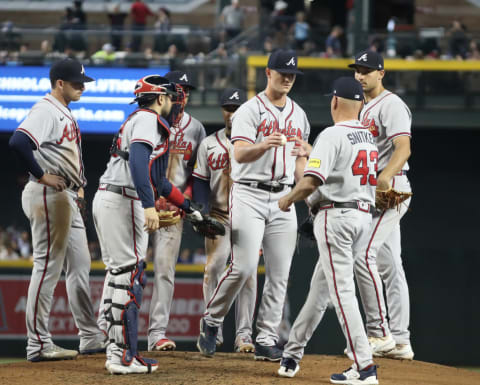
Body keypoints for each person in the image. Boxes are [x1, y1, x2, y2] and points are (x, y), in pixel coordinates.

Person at [197, 49, 310, 361]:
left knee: (280, 272)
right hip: (248, 194)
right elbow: (240, 155)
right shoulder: (249, 110)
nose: (287, 78)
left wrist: (308, 184)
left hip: (284, 196)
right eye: (282, 73)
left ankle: (266, 337)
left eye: (292, 75)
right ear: (268, 73)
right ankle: (212, 320)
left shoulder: (299, 115)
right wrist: (263, 144)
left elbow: (300, 164)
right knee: (244, 266)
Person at [93, 74, 203, 374]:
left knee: (120, 275)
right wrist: (147, 206)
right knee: (129, 276)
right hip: (122, 199)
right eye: (169, 95)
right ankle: (122, 356)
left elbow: (159, 180)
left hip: (113, 196)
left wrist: (189, 208)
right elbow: (139, 163)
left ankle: (116, 349)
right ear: (158, 98)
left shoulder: (140, 119)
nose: (173, 100)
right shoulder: (146, 119)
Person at [277, 76, 379, 384]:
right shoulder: (367, 136)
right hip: (361, 218)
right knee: (321, 290)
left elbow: (311, 181)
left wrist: (287, 199)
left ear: (334, 101)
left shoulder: (333, 134)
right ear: (360, 104)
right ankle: (292, 354)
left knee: (342, 293)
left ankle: (364, 367)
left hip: (337, 218)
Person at [8, 58, 107, 362]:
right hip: (48, 194)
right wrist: (40, 174)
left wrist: (77, 188)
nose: (82, 87)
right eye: (77, 82)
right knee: (48, 266)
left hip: (66, 197)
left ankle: (89, 336)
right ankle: (37, 343)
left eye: (83, 82)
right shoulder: (46, 109)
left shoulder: (62, 112)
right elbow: (19, 141)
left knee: (80, 266)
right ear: (59, 83)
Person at [349, 49, 414, 360]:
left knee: (363, 255)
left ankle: (380, 333)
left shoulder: (391, 105)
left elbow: (404, 147)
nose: (360, 75)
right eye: (357, 70)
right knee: (391, 266)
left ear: (381, 73)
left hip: (391, 188)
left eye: (367, 70)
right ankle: (401, 341)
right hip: (370, 190)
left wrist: (385, 177)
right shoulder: (363, 107)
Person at [192, 88, 256, 353]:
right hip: (219, 215)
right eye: (228, 108)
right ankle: (212, 330)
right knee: (214, 268)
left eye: (237, 108)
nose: (232, 113)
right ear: (223, 110)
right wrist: (202, 211)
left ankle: (244, 335)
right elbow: (199, 181)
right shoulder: (208, 143)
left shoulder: (255, 142)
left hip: (249, 215)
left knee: (248, 274)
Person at [147, 71, 207, 352]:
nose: (184, 94)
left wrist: (185, 199)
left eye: (187, 89)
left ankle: (157, 333)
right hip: (142, 204)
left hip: (174, 209)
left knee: (164, 271)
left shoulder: (196, 129)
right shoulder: (149, 121)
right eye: (179, 88)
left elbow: (199, 174)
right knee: (126, 268)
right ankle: (114, 332)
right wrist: (148, 198)